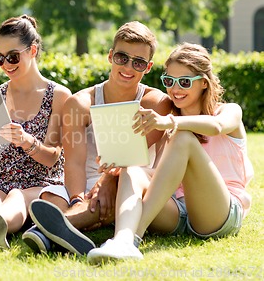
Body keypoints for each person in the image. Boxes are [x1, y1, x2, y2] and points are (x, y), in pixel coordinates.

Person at [86, 42, 254, 263]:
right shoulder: (169, 128)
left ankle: (134, 236)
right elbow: (162, 180)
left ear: (204, 83)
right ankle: (123, 240)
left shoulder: (228, 111)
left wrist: (168, 122)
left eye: (184, 82)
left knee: (184, 136)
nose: (175, 89)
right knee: (133, 169)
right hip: (179, 212)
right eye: (169, 81)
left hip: (218, 213)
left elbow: (216, 126)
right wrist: (119, 169)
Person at [25, 21, 172, 255]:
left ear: (148, 67)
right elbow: (72, 162)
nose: (128, 67)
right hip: (80, 184)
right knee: (57, 196)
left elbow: (132, 156)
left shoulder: (156, 104)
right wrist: (78, 199)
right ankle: (69, 224)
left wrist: (106, 181)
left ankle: (47, 232)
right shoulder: (80, 103)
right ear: (111, 56)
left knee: (109, 196)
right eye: (122, 58)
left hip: (130, 182)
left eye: (138, 62)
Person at [0, 14, 72, 250]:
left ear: (32, 50)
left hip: (40, 180)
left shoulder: (58, 95)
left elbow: (52, 157)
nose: (6, 65)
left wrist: (26, 141)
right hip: (0, 177)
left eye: (12, 56)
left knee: (17, 198)